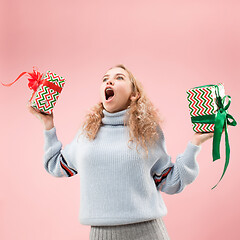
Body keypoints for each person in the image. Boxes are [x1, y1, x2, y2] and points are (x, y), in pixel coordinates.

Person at [27, 64, 213, 240]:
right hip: (101, 235)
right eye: (105, 78)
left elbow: (171, 183)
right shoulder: (86, 133)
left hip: (149, 233)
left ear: (134, 94)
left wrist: (195, 143)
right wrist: (48, 124)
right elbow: (56, 165)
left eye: (119, 78)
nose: (109, 81)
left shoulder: (148, 132)